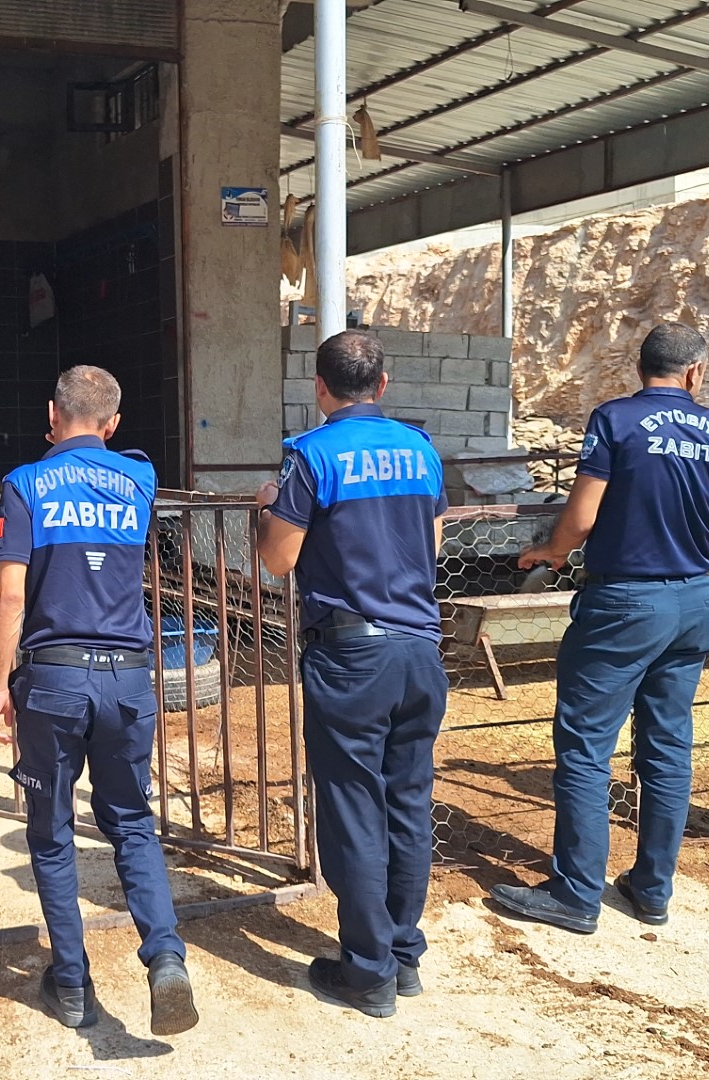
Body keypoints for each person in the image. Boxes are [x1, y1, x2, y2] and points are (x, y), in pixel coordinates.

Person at [488, 323, 709, 935]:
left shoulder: (617, 420)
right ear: (695, 372)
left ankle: (576, 893)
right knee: (667, 747)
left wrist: (551, 551)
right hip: (693, 600)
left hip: (623, 601)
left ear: (641, 367)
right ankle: (653, 889)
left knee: (585, 747)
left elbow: (581, 517)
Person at [0, 365, 197, 1036]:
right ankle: (166, 958)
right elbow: (119, 461)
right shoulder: (139, 478)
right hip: (129, 679)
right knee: (132, 822)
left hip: (54, 680)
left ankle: (73, 985)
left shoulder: (24, 485)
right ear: (113, 423)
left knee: (51, 832)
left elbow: (10, 595)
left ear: (51, 414)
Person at [255, 328, 448, 1019]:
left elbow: (278, 559)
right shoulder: (421, 449)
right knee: (409, 803)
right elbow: (432, 543)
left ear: (320, 388)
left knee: (354, 810)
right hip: (420, 649)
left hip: (352, 655)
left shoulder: (312, 455)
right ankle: (403, 954)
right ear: (383, 385)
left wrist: (265, 509)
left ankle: (368, 972)